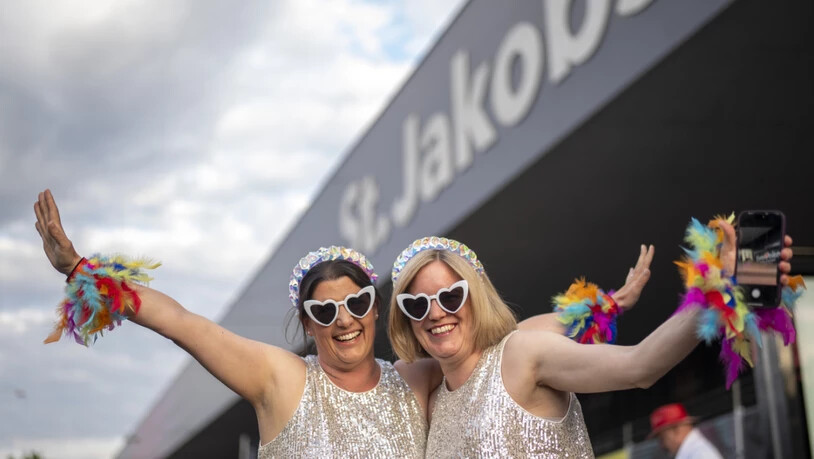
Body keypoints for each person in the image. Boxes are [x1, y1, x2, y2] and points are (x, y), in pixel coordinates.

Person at [33, 190, 652, 457]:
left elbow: (507, 342)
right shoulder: (280, 380)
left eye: (356, 305)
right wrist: (81, 270)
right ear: (309, 323)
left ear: (375, 310)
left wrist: (595, 310)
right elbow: (182, 323)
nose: (344, 321)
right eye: (325, 312)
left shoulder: (416, 380)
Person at [388, 229, 794, 457]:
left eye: (451, 297)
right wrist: (608, 305)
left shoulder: (520, 355)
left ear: (477, 299)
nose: (435, 313)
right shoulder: (429, 394)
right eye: (416, 304)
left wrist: (721, 291)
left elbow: (639, 366)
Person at [649, 403, 723, 459]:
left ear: (676, 429)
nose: (662, 445)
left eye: (662, 438)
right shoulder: (693, 451)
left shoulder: (700, 454)